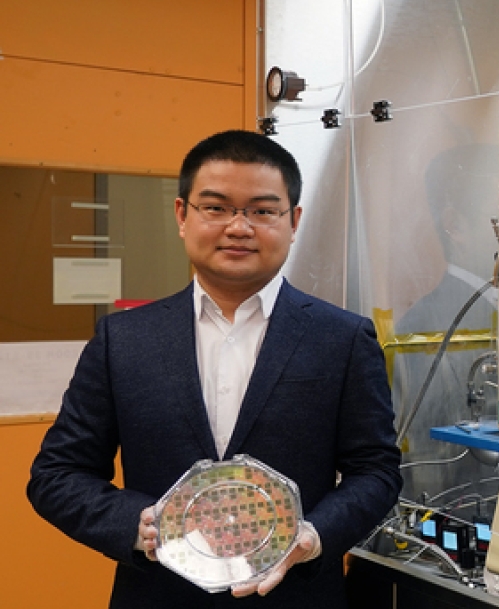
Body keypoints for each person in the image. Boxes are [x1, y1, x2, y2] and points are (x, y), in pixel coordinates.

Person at [28, 130, 402, 608]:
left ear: (294, 222)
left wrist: (315, 536)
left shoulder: (343, 338)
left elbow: (376, 471)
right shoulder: (123, 340)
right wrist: (140, 526)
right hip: (159, 596)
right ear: (183, 215)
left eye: (263, 211)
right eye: (217, 207)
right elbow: (57, 474)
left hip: (296, 596)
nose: (239, 227)